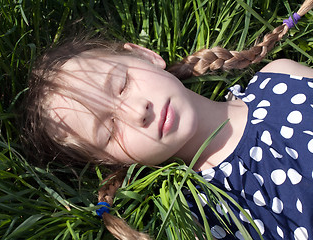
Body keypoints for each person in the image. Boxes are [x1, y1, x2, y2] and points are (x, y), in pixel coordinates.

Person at [23, 1, 313, 239]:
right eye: (109, 130)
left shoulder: (282, 77)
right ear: (109, 162)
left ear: (144, 56)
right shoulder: (200, 215)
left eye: (121, 84)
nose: (137, 112)